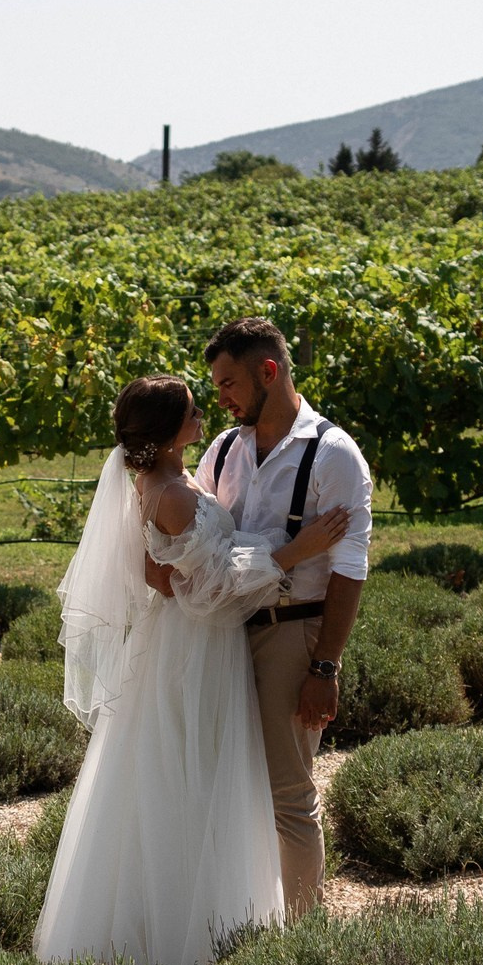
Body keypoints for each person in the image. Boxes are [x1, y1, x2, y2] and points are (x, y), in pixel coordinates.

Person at [31, 373, 352, 965]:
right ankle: (193, 950)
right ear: (170, 430)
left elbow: (163, 575)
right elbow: (202, 593)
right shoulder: (173, 493)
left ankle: (173, 935)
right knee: (197, 783)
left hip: (177, 642)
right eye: (192, 409)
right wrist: (296, 549)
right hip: (197, 648)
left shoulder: (156, 484)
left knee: (174, 780)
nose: (205, 413)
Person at [175, 316, 371, 920]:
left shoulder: (333, 453)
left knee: (289, 795)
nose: (221, 397)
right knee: (226, 787)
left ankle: (305, 940)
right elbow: (203, 547)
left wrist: (325, 665)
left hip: (294, 633)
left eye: (229, 383)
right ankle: (244, 918)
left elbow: (350, 569)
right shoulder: (225, 449)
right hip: (224, 634)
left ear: (269, 372)